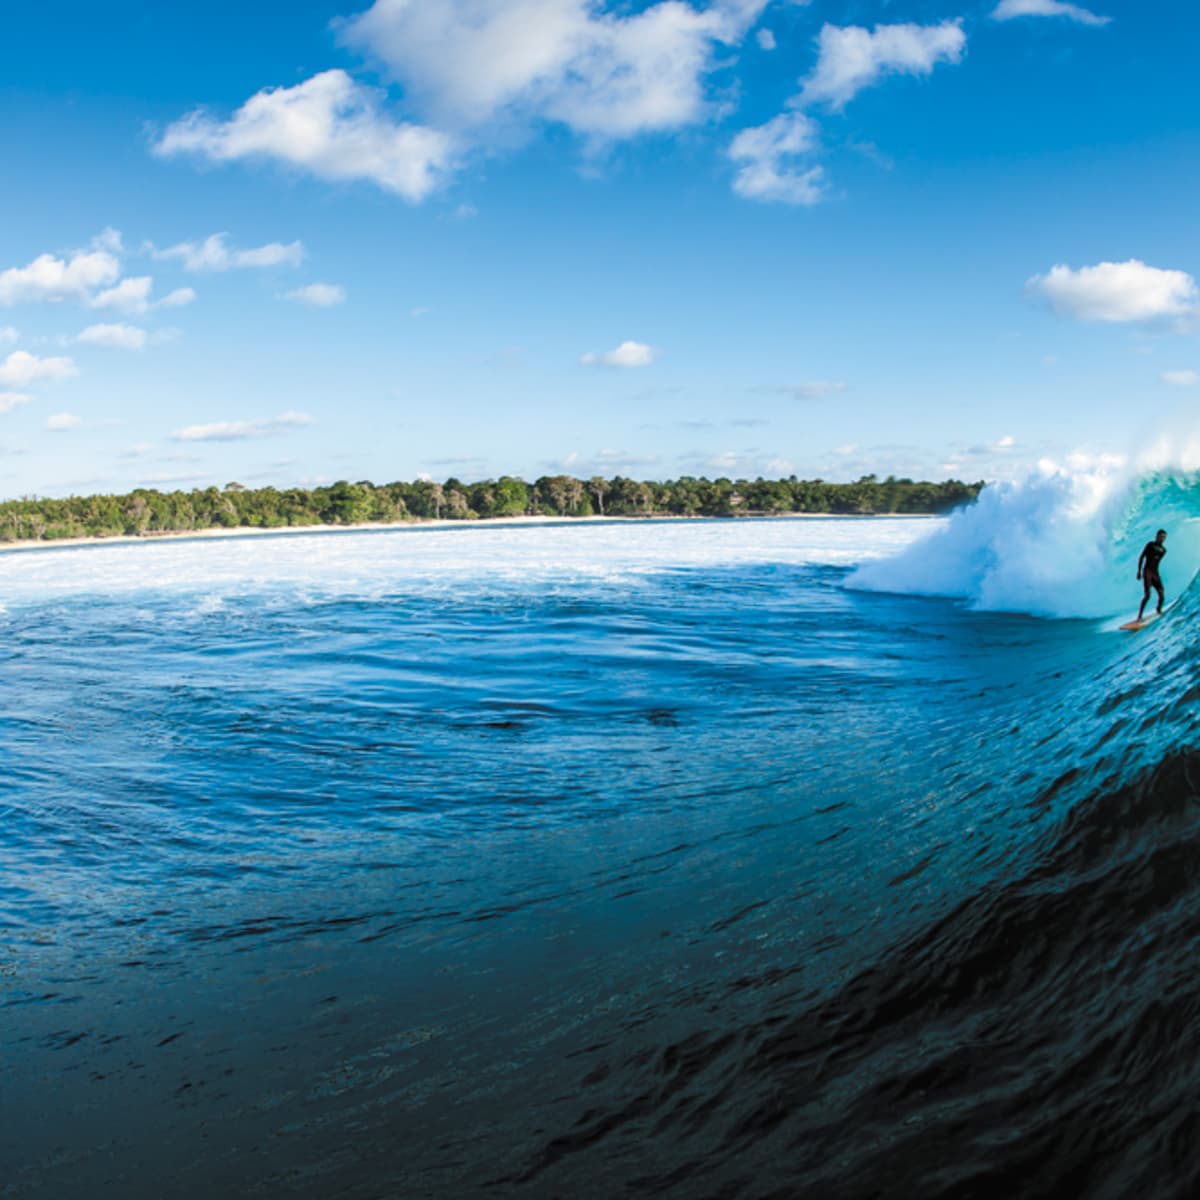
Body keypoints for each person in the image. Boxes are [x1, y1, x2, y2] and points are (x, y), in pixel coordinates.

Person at [1136, 528, 1167, 620]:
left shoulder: (1163, 550)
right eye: (1160, 536)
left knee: (1162, 594)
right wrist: (1139, 571)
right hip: (1147, 571)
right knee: (1147, 595)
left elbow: (1157, 562)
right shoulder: (1150, 545)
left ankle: (1158, 609)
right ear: (1156, 536)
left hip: (1155, 573)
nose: (1162, 538)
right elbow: (1141, 557)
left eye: (1164, 537)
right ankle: (1140, 615)